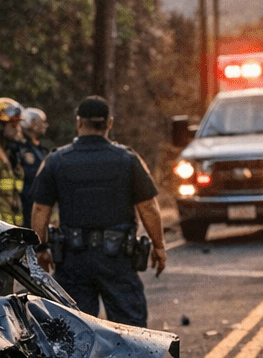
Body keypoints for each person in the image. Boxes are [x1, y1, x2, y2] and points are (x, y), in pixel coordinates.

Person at [31, 96, 167, 327]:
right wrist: (159, 246)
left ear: (79, 122)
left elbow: (40, 209)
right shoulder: (128, 160)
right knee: (130, 330)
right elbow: (148, 207)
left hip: (73, 262)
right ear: (109, 123)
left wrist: (41, 248)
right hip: (118, 260)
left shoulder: (56, 160)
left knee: (73, 329)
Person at [11, 107, 49, 228]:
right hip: (24, 202)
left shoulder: (42, 150)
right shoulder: (18, 148)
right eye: (40, 122)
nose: (44, 125)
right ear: (30, 123)